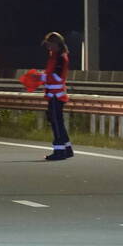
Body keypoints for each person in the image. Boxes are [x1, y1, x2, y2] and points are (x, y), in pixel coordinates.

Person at [39, 31, 73, 160]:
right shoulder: (56, 56)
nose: (48, 47)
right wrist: (42, 76)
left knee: (56, 123)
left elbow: (56, 76)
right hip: (54, 95)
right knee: (57, 122)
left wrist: (40, 77)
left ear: (55, 44)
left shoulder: (59, 58)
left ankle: (59, 151)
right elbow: (51, 74)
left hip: (55, 96)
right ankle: (67, 148)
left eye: (49, 44)